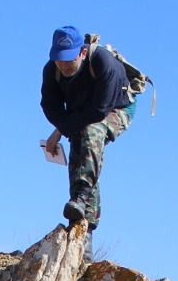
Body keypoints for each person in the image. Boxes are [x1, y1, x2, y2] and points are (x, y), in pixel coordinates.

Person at [40, 25, 138, 242]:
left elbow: (99, 111)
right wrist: (63, 127)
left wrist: (61, 130)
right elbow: (50, 106)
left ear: (83, 52)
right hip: (84, 112)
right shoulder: (51, 71)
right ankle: (83, 236)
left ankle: (81, 197)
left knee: (91, 133)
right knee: (81, 152)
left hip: (117, 107)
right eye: (59, 59)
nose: (64, 65)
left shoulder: (103, 62)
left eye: (69, 58)